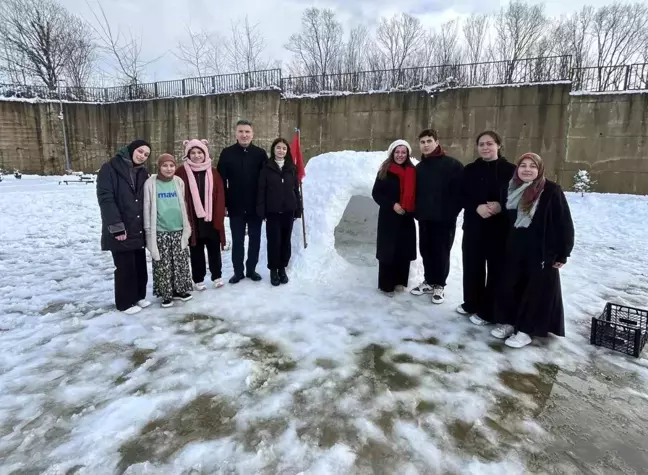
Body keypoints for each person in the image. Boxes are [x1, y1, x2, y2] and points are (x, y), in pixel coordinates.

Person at [493, 153, 574, 348]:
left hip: (541, 251)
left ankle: (526, 330)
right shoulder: (511, 188)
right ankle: (510, 322)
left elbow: (564, 223)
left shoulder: (551, 191)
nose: (527, 169)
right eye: (523, 165)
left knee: (534, 291)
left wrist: (563, 252)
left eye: (532, 166)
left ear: (539, 169)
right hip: (515, 248)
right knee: (511, 286)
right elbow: (506, 220)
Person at [459, 131, 516, 325]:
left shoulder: (511, 170)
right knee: (472, 266)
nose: (485, 147)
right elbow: (462, 194)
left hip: (499, 228)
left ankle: (489, 310)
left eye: (489, 143)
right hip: (474, 226)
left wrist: (501, 205)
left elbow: (517, 196)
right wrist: (477, 206)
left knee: (496, 270)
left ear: (498, 145)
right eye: (481, 144)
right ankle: (471, 302)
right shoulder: (470, 169)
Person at [97, 139, 152, 315]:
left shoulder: (142, 172)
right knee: (125, 266)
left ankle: (137, 296)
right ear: (131, 149)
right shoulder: (110, 168)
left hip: (137, 224)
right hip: (121, 225)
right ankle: (124, 302)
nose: (142, 155)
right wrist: (116, 226)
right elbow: (106, 198)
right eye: (140, 151)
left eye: (146, 154)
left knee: (139, 264)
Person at [411, 128, 464, 304]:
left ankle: (439, 285)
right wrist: (418, 212)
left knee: (441, 252)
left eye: (429, 141)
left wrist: (451, 213)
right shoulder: (420, 167)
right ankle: (429, 280)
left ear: (437, 142)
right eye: (422, 142)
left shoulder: (452, 165)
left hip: (444, 219)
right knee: (426, 250)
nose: (425, 145)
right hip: (425, 218)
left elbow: (460, 193)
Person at [217, 120, 268, 283]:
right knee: (238, 240)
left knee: (255, 239)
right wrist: (223, 204)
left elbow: (266, 181)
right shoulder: (227, 153)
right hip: (235, 205)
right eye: (241, 131)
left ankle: (251, 269)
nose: (244, 135)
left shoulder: (260, 154)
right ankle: (238, 271)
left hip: (255, 206)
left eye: (247, 131)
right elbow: (220, 181)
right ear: (235, 134)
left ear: (252, 134)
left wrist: (264, 203)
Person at [175, 139, 227, 291]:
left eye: (200, 152)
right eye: (193, 153)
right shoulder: (181, 172)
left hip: (211, 218)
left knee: (214, 249)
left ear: (205, 154)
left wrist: (219, 215)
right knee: (195, 250)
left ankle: (217, 276)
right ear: (188, 154)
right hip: (192, 218)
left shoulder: (213, 172)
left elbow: (220, 194)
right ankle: (198, 278)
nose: (197, 156)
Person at [143, 154, 193, 307]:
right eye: (165, 166)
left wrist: (186, 225)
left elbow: (183, 202)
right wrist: (148, 229)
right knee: (163, 263)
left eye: (171, 165)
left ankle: (180, 289)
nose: (169, 169)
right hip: (160, 229)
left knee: (180, 262)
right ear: (159, 167)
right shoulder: (150, 183)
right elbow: (147, 206)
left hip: (178, 228)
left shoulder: (178, 181)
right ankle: (166, 293)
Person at [371, 140, 417, 296]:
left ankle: (400, 281)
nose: (400, 155)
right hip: (388, 217)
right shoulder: (384, 170)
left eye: (403, 152)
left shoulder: (413, 171)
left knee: (403, 249)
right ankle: (386, 285)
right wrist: (392, 205)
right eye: (397, 152)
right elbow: (376, 194)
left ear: (408, 154)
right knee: (388, 250)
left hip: (406, 217)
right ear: (392, 153)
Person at [256, 138, 303, 286]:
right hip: (273, 211)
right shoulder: (266, 168)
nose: (281, 151)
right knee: (274, 241)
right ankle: (273, 270)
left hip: (288, 210)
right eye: (278, 148)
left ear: (287, 151)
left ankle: (282, 268)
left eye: (284, 148)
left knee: (285, 241)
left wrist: (298, 209)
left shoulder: (291, 168)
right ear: (273, 149)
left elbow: (296, 189)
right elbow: (261, 190)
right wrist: (261, 210)